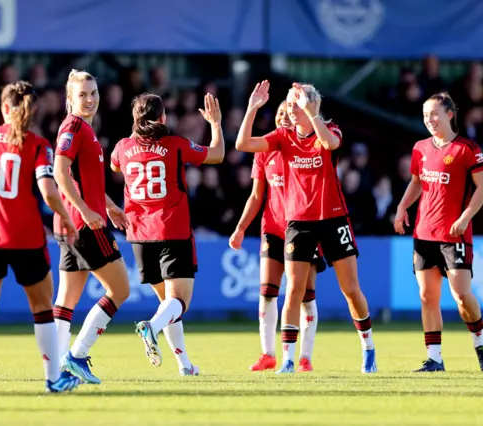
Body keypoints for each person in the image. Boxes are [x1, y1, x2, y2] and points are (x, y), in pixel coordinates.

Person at [235, 81, 377, 374]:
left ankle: (369, 350)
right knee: (294, 291)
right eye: (288, 102)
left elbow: (329, 144)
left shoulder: (330, 129)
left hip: (334, 218)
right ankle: (287, 360)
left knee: (350, 290)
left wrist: (312, 114)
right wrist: (251, 109)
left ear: (312, 105)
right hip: (299, 223)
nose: (290, 108)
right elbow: (243, 145)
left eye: (295, 102)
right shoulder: (282, 137)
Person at [0, 81, 81, 394]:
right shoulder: (39, 145)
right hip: (26, 239)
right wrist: (67, 218)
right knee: (42, 309)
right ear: (33, 110)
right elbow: (48, 192)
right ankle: (53, 379)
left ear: (4, 108)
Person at [112, 93, 224, 374]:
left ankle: (185, 366)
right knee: (179, 302)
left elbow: (114, 164)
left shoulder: (123, 147)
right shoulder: (175, 145)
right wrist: (216, 124)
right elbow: (217, 154)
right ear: (163, 118)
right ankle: (151, 327)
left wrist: (136, 132)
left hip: (138, 235)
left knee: (168, 304)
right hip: (171, 229)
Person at [394, 92, 483, 373]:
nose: (430, 120)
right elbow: (416, 182)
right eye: (426, 115)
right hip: (424, 234)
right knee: (427, 296)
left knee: (462, 296)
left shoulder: (467, 149)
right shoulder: (420, 148)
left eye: (435, 114)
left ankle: (480, 344)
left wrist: (465, 217)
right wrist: (402, 208)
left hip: (454, 235)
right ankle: (434, 359)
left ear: (450, 114)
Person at [229, 100, 326, 372]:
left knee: (305, 296)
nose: (285, 117)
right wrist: (240, 227)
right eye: (281, 113)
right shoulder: (265, 152)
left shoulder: (307, 145)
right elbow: (256, 195)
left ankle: (305, 357)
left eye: (290, 113)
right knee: (267, 293)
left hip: (305, 228)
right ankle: (267, 354)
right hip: (272, 229)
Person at [52, 70, 130, 385]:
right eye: (82, 94)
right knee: (121, 290)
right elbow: (60, 172)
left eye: (93, 92)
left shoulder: (85, 129)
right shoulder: (73, 126)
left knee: (67, 298)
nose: (90, 99)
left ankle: (57, 368)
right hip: (84, 225)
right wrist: (85, 210)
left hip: (70, 223)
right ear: (69, 99)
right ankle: (77, 355)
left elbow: (89, 182)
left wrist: (109, 206)